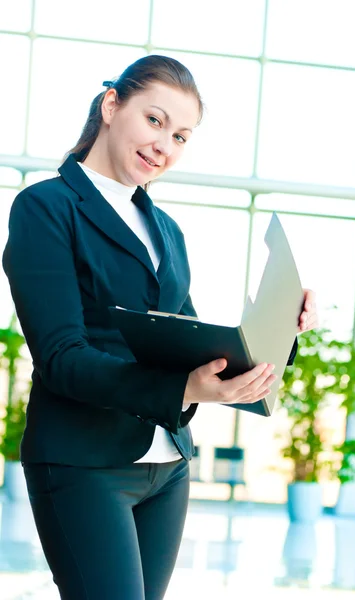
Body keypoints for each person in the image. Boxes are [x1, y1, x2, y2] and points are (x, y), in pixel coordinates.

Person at [2, 55, 318, 600]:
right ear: (111, 105)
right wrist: (183, 388)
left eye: (181, 136)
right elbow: (61, 357)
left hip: (167, 465)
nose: (164, 146)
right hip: (84, 461)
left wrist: (280, 331)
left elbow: (185, 344)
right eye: (155, 121)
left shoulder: (165, 229)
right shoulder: (46, 207)